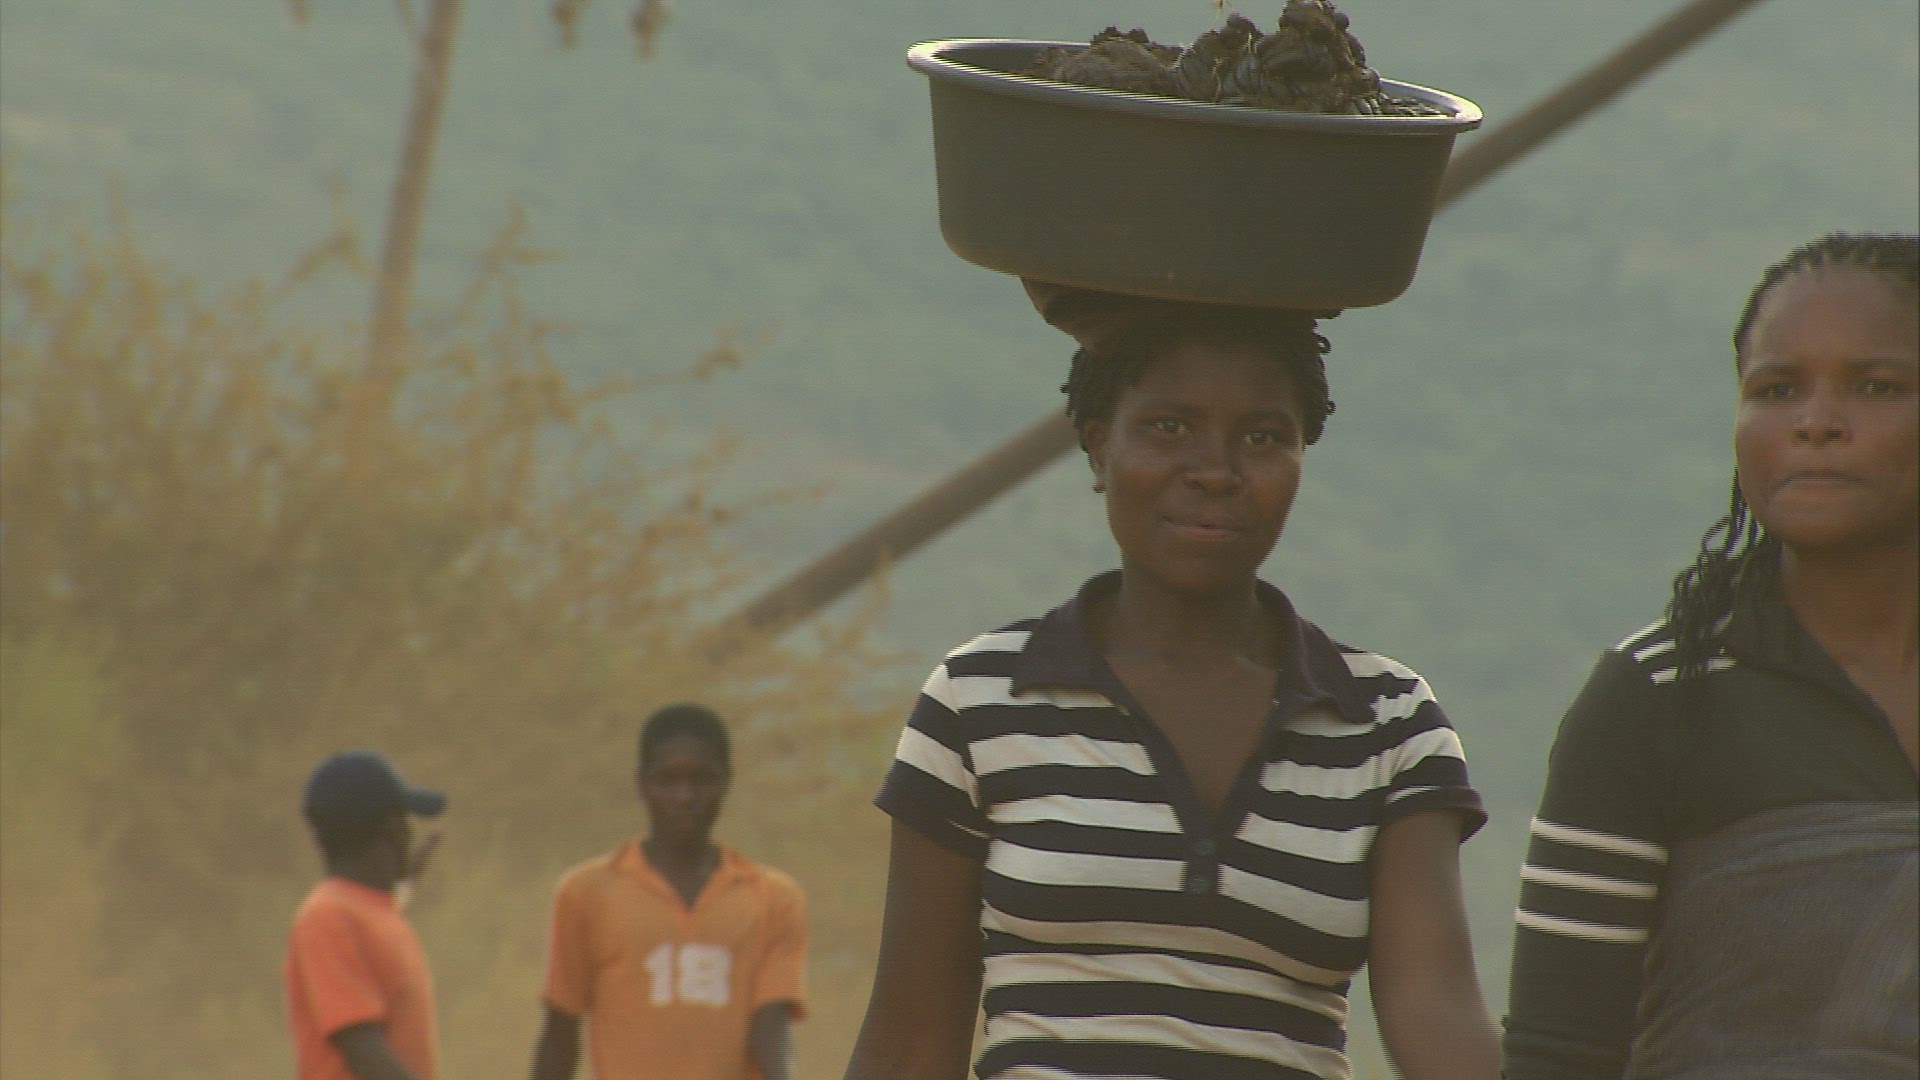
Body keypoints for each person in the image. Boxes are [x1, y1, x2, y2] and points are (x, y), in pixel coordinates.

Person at [843, 283, 1502, 1079]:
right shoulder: (978, 700)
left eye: (1262, 437)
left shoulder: (1388, 721)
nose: (1215, 471)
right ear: (1098, 448)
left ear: (1301, 458)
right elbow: (909, 1043)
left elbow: (1438, 1014)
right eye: (1169, 427)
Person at [1503, 232, 1919, 1079]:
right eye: (1776, 390)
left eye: (1876, 386)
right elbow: (1556, 1058)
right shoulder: (1660, 696)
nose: (1816, 423)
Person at [528, 703, 809, 1080]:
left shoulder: (772, 897)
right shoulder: (587, 892)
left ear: (726, 782)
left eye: (702, 780)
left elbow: (771, 1028)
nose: (684, 796)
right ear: (642, 784)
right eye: (667, 780)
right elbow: (560, 1033)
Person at [286, 749, 448, 1080]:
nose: (408, 834)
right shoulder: (327, 918)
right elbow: (364, 1052)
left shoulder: (368, 911)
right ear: (392, 828)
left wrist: (406, 884)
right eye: (405, 821)